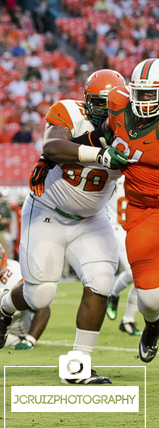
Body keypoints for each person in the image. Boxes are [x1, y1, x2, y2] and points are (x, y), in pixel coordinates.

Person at [0, 69, 125, 384]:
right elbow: (52, 148)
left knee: (102, 281)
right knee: (40, 296)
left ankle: (78, 366)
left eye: (110, 104)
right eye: (98, 103)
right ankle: (5, 304)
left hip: (92, 218)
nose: (103, 111)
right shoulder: (69, 111)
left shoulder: (131, 129)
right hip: (48, 210)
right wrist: (101, 156)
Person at [100, 58, 159, 362]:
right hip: (141, 213)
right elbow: (103, 128)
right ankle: (152, 325)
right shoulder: (118, 104)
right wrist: (102, 148)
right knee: (148, 300)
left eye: (151, 95)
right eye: (140, 93)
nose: (143, 101)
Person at [105, 177, 141, 335]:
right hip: (116, 228)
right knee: (134, 273)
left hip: (136, 229)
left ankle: (128, 320)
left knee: (144, 277)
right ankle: (114, 294)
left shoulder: (142, 177)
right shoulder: (113, 176)